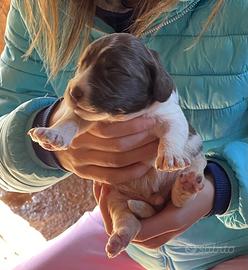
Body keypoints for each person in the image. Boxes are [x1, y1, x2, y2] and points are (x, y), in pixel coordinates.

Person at [0, 0, 248, 269]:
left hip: (233, 243)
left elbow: (175, 130)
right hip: (127, 237)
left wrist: (223, 187)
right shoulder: (38, 7)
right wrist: (44, 142)